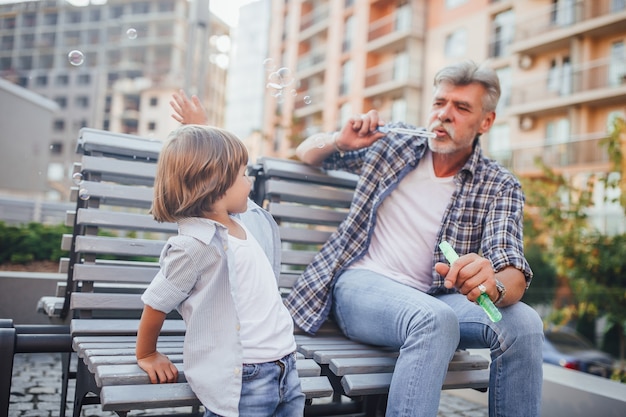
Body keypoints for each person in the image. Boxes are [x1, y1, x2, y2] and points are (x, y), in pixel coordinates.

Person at [285, 60, 544, 417]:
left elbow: (513, 272)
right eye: (440, 103)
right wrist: (338, 141)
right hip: (362, 285)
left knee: (524, 325)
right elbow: (307, 151)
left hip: (436, 298)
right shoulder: (394, 143)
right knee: (433, 320)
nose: (444, 115)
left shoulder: (498, 184)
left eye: (461, 107)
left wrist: (493, 284)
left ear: (486, 122)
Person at [135, 124, 305, 417]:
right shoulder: (193, 245)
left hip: (285, 365)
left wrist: (202, 123)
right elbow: (156, 302)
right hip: (245, 377)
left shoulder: (241, 224)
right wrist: (147, 354)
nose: (249, 182)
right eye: (243, 174)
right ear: (216, 183)